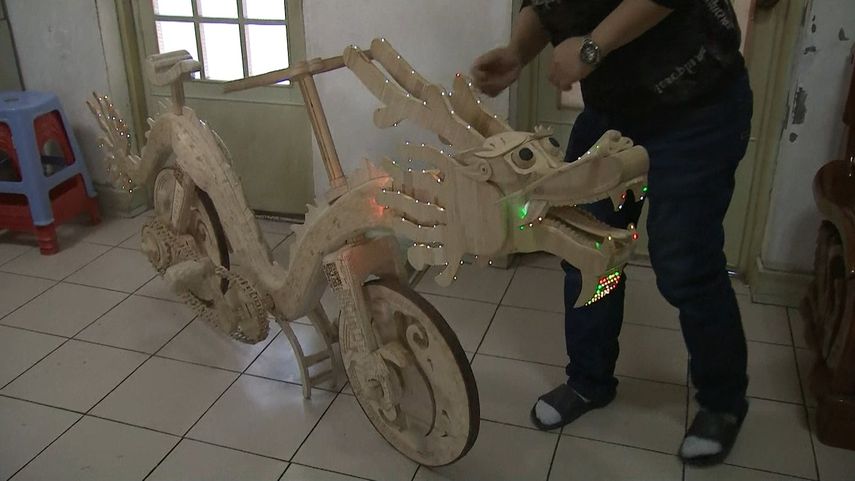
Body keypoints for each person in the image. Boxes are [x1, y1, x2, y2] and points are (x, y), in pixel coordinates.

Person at [471, 0, 753, 466]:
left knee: (685, 262)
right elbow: (545, 5)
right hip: (614, 113)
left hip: (698, 104)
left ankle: (723, 402)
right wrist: (517, 52)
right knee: (587, 249)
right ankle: (589, 381)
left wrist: (591, 48)